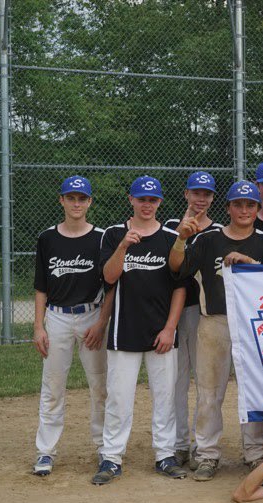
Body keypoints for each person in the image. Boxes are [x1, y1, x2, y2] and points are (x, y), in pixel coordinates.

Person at [169, 180, 263, 481]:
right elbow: (177, 268)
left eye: (250, 204)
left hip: (254, 325)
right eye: (238, 204)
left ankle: (255, 453)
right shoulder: (209, 239)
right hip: (214, 321)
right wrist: (180, 239)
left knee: (253, 391)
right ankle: (206, 454)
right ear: (228, 207)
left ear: (257, 209)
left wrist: (249, 262)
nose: (244, 209)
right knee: (209, 392)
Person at [92, 176, 187, 484]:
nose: (147, 205)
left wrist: (170, 328)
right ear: (131, 200)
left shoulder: (171, 237)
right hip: (124, 330)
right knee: (119, 397)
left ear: (160, 203)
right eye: (142, 199)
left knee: (165, 396)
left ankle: (165, 455)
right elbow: (108, 277)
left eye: (153, 200)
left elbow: (180, 287)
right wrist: (123, 246)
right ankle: (111, 457)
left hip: (161, 331)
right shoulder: (114, 234)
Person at [31, 176, 113, 476]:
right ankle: (45, 451)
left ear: (90, 202)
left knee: (100, 386)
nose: (76, 203)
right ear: (61, 200)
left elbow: (111, 285)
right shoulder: (47, 238)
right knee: (53, 387)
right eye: (71, 197)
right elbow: (41, 287)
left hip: (91, 315)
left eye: (82, 198)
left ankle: (105, 447)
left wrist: (102, 322)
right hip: (57, 317)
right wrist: (38, 326)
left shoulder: (102, 238)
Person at [164, 171, 222, 468]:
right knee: (177, 379)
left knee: (204, 381)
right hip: (176, 311)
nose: (201, 198)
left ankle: (202, 445)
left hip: (204, 314)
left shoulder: (219, 231)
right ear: (186, 194)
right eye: (196, 192)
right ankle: (178, 443)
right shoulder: (170, 227)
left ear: (213, 198)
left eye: (206, 193)